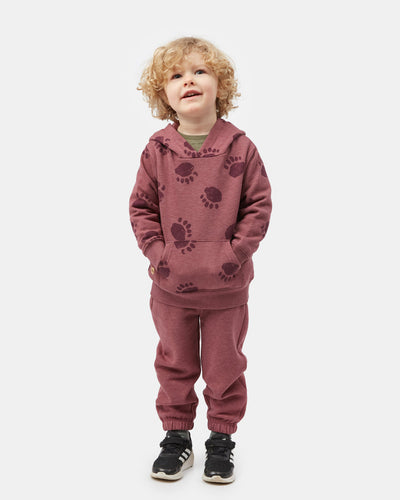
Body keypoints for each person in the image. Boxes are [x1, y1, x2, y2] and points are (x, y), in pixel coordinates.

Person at [129, 36, 272, 483]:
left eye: (199, 71)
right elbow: (141, 208)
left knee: (224, 366)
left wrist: (235, 254)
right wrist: (159, 254)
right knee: (174, 363)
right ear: (164, 94)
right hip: (171, 287)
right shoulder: (157, 150)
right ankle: (177, 439)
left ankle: (221, 442)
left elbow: (258, 206)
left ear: (219, 84)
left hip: (227, 289)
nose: (188, 80)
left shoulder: (241, 148)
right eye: (176, 75)